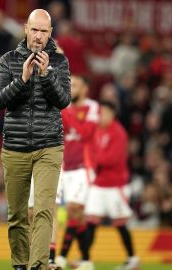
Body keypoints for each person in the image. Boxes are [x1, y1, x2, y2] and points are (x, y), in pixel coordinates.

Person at [0, 8, 71, 270]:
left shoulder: (59, 63)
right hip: (15, 147)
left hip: (49, 145)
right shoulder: (8, 61)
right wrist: (23, 80)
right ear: (26, 28)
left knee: (44, 209)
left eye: (43, 31)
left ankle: (38, 265)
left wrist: (47, 75)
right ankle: (19, 265)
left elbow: (63, 101)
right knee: (16, 215)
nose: (38, 36)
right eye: (34, 29)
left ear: (50, 33)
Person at [80, 101, 139, 270]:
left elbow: (111, 159)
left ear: (112, 114)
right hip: (98, 185)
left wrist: (92, 160)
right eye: (99, 113)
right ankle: (86, 260)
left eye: (104, 113)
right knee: (91, 221)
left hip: (115, 185)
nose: (100, 116)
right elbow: (88, 151)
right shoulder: (96, 130)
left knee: (120, 223)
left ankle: (132, 258)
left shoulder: (118, 132)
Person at [54, 75, 99, 269]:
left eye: (75, 85)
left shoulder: (92, 108)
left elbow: (86, 133)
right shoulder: (66, 109)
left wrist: (67, 114)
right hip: (66, 166)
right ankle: (86, 260)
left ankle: (62, 257)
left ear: (85, 89)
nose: (70, 88)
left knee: (74, 209)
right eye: (69, 84)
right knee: (76, 215)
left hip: (84, 166)